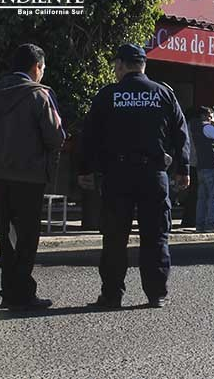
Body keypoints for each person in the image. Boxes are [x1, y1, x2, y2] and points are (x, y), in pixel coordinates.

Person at [79, 43, 190, 309]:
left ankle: (112, 295)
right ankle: (156, 294)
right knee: (156, 235)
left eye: (115, 65)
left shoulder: (109, 94)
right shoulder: (163, 93)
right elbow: (180, 133)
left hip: (118, 174)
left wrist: (84, 169)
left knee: (115, 237)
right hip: (154, 174)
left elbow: (89, 136)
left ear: (121, 64)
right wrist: (184, 169)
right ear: (143, 65)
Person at [0, 43, 65, 311]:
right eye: (43, 69)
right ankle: (23, 294)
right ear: (36, 67)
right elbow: (55, 137)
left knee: (6, 235)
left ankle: (8, 291)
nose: (42, 74)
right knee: (27, 237)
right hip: (31, 177)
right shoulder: (39, 95)